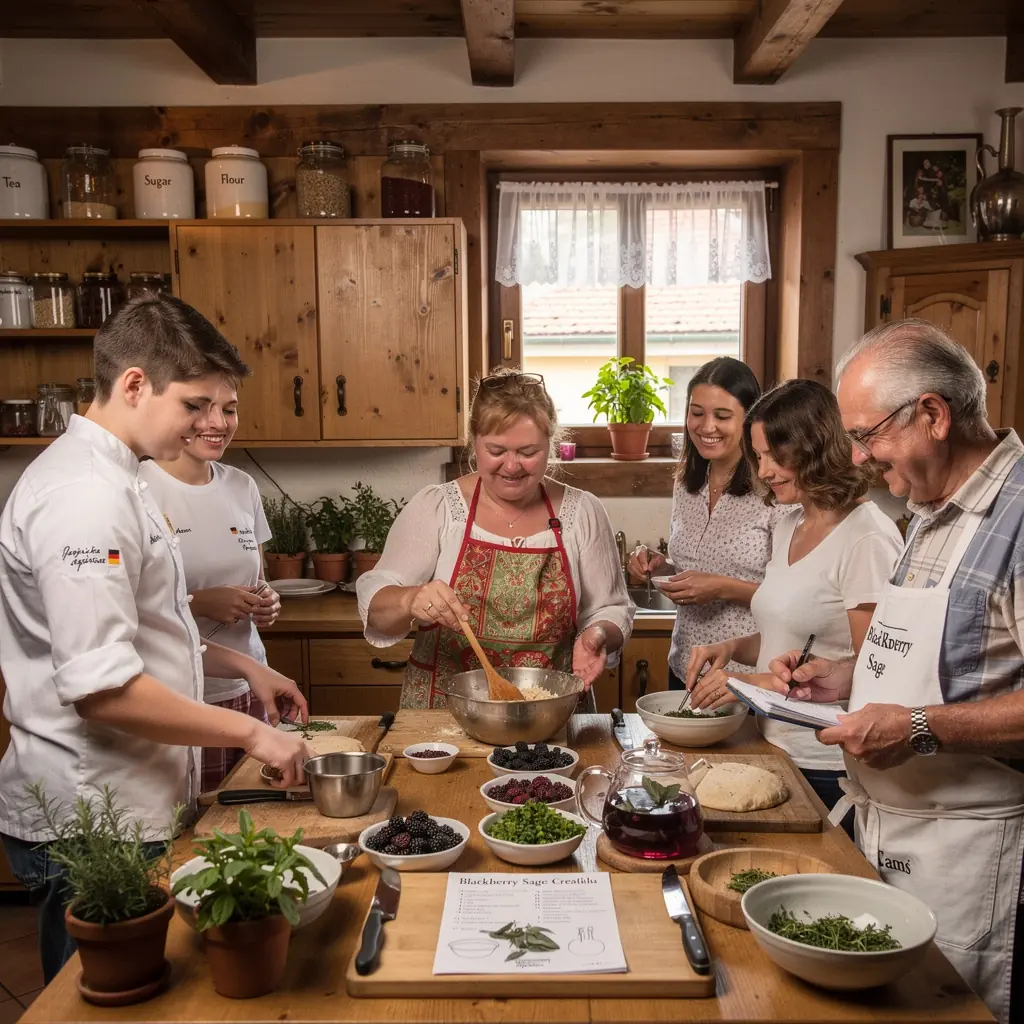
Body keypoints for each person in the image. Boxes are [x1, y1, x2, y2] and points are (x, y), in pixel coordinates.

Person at [0, 296, 313, 983]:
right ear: (135, 384)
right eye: (195, 404)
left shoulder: (120, 477)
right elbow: (102, 687)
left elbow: (139, 631)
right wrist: (254, 734)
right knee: (102, 1003)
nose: (211, 423)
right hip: (89, 811)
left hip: (130, 798)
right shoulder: (84, 494)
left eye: (220, 406)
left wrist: (240, 666)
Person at [768, 320, 1024, 1024]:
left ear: (933, 415)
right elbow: (940, 658)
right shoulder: (930, 510)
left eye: (868, 433)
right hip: (892, 828)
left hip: (969, 848)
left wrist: (915, 726)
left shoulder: (1019, 515)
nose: (856, 454)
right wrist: (846, 677)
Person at [683, 380, 902, 823]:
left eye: (774, 456)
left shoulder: (868, 539)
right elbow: (793, 632)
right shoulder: (791, 525)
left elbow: (878, 671)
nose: (763, 471)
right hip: (774, 744)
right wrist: (732, 650)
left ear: (815, 448)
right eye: (759, 456)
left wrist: (751, 684)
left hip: (824, 760)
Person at [358, 369, 633, 708]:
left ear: (551, 444)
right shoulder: (438, 508)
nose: (512, 466)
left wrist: (598, 634)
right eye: (497, 450)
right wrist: (409, 599)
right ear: (474, 440)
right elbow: (377, 610)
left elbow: (611, 607)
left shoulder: (582, 512)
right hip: (444, 718)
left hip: (549, 713)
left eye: (528, 451)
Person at [140, 380, 283, 791]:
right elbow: (134, 609)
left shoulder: (242, 486)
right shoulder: (140, 488)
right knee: (191, 831)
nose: (217, 423)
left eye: (230, 409)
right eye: (201, 409)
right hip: (183, 696)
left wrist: (266, 599)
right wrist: (198, 602)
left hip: (251, 684)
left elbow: (257, 577)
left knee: (249, 822)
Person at [628, 357, 788, 689]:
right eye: (697, 413)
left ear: (749, 420)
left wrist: (722, 588)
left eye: (722, 416)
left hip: (749, 674)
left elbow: (793, 600)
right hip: (686, 664)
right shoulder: (687, 482)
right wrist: (661, 568)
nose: (706, 426)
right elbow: (700, 566)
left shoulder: (774, 487)